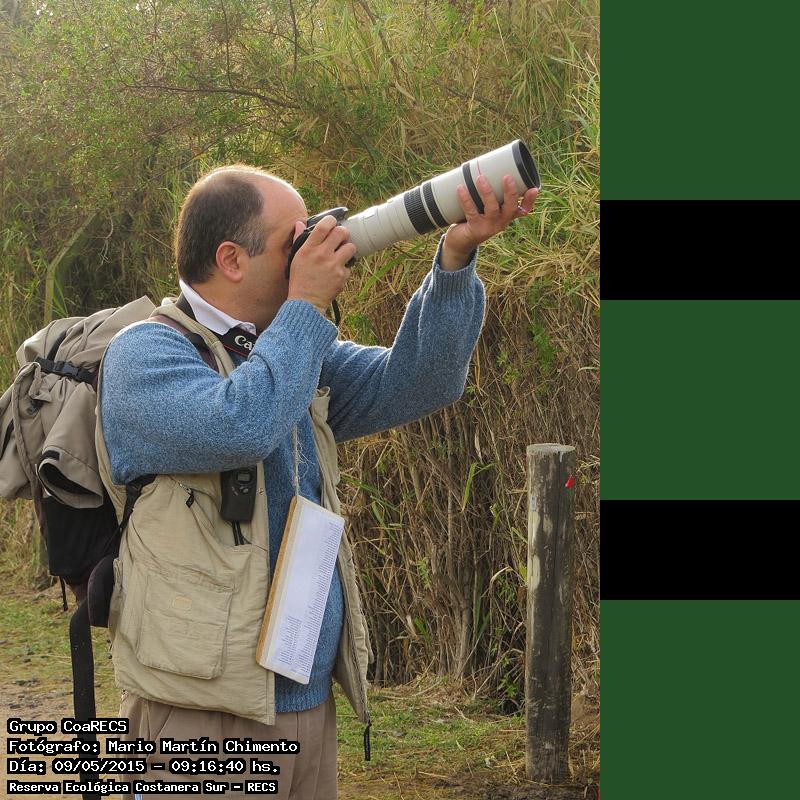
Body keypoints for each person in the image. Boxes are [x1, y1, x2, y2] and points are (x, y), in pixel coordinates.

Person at [96, 164, 538, 799]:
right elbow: (240, 425)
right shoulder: (145, 354)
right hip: (197, 709)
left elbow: (421, 382)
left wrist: (455, 257)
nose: (316, 247)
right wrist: (305, 306)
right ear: (231, 259)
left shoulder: (291, 351)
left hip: (303, 697)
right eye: (294, 240)